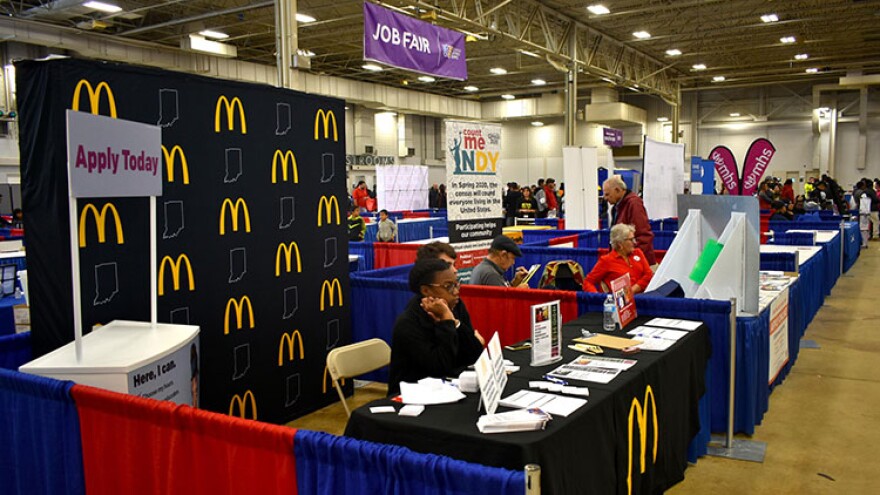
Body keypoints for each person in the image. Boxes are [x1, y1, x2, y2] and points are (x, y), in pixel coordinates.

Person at [388, 258, 485, 395]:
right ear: (426, 290)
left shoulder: (456, 306)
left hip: (450, 388)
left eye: (457, 284)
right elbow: (440, 368)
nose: (456, 291)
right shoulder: (408, 323)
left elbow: (474, 355)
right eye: (448, 286)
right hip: (413, 395)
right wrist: (446, 322)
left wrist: (455, 323)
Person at [582, 224, 653, 294]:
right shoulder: (606, 260)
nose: (635, 242)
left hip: (644, 297)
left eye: (634, 238)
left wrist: (632, 290)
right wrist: (598, 298)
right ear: (620, 244)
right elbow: (587, 282)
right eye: (631, 240)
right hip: (621, 303)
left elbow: (649, 275)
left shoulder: (638, 252)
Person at [602, 175, 656, 265]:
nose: (605, 198)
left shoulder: (634, 204)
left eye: (607, 194)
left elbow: (644, 236)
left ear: (617, 190)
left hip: (638, 264)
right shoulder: (618, 207)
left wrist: (633, 260)